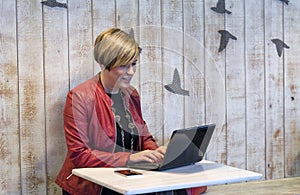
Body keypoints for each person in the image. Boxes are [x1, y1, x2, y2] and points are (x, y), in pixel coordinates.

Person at [55, 27, 207, 195]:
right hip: (92, 185)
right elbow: (79, 155)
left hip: (127, 178)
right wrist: (129, 158)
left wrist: (155, 152)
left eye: (133, 64)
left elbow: (144, 137)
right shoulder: (79, 97)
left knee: (185, 188)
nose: (131, 72)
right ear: (103, 63)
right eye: (123, 66)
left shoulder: (131, 94)